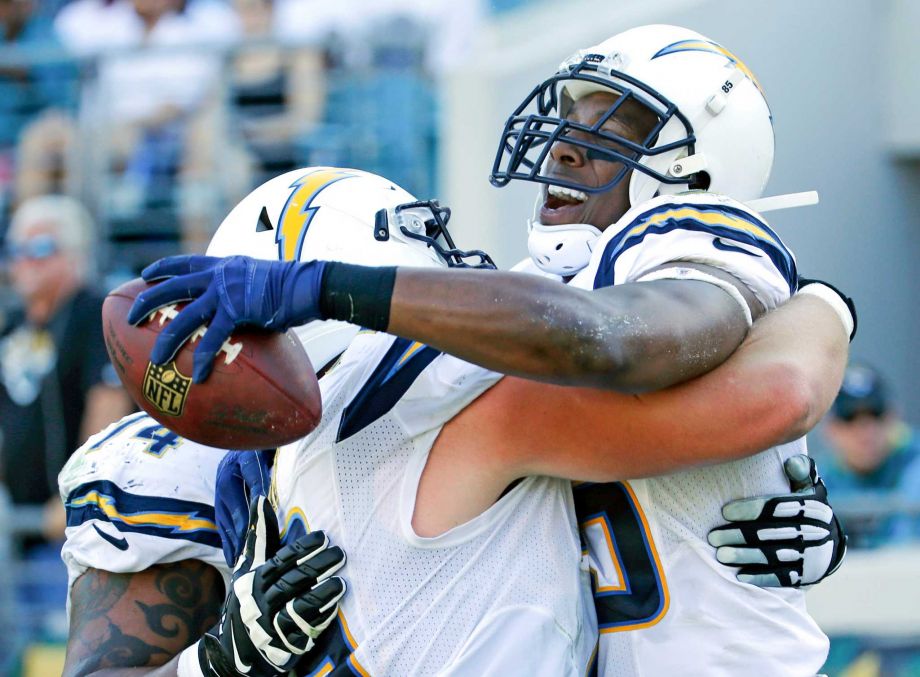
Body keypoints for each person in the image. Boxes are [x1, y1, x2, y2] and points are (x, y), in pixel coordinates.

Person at [131, 24, 856, 675]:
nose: (565, 145)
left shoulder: (639, 262)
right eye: (571, 122)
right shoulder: (504, 343)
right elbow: (757, 387)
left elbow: (617, 340)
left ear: (695, 174)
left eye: (614, 127)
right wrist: (826, 308)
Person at [817, 363, 920, 548]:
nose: (865, 432)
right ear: (830, 429)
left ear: (893, 416)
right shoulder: (818, 481)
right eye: (849, 417)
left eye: (875, 414)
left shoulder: (913, 463)